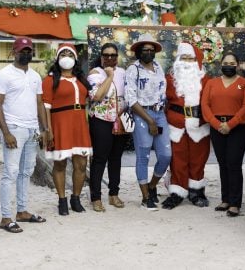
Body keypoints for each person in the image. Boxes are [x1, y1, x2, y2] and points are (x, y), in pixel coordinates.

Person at [0, 37, 48, 233]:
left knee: (26, 172)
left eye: (29, 50)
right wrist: (6, 132)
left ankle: (22, 211)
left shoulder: (35, 76)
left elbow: (40, 103)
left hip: (32, 129)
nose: (26, 54)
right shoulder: (4, 75)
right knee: (10, 173)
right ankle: (6, 217)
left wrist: (44, 129)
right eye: (22, 50)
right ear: (13, 52)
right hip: (14, 129)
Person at [42, 43, 92, 215]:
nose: (66, 57)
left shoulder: (81, 79)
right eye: (62, 54)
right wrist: (48, 129)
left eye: (69, 54)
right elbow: (46, 106)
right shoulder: (50, 80)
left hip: (79, 124)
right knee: (60, 163)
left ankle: (75, 198)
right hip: (59, 124)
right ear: (57, 58)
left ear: (75, 58)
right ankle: (62, 200)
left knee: (81, 163)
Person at [201, 52, 245, 217]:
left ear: (237, 65)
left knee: (233, 163)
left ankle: (235, 203)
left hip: (237, 127)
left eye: (232, 63)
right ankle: (225, 199)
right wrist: (217, 125)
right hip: (217, 127)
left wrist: (230, 125)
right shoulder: (211, 83)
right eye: (226, 62)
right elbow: (205, 106)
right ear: (220, 64)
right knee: (222, 163)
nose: (229, 65)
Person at [124, 33, 171, 211]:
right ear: (138, 51)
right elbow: (131, 99)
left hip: (160, 115)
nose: (149, 53)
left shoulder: (159, 67)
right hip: (142, 114)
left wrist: (158, 117)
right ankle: (145, 197)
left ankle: (152, 186)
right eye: (145, 50)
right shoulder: (133, 70)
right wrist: (150, 120)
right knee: (143, 156)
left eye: (152, 50)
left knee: (166, 156)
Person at [162, 42, 210, 210]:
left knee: (198, 158)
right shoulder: (169, 79)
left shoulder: (205, 79)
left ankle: (196, 191)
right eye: (184, 58)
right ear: (178, 60)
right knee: (177, 160)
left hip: (199, 124)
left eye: (191, 59)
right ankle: (177, 192)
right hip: (175, 125)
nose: (188, 62)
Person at [87, 43, 129, 212]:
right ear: (101, 56)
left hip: (120, 119)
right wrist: (109, 76)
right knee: (100, 159)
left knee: (116, 158)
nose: (110, 58)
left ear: (117, 57)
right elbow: (97, 96)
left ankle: (113, 194)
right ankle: (96, 197)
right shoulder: (95, 73)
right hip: (101, 119)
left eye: (113, 55)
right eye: (106, 55)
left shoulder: (124, 73)